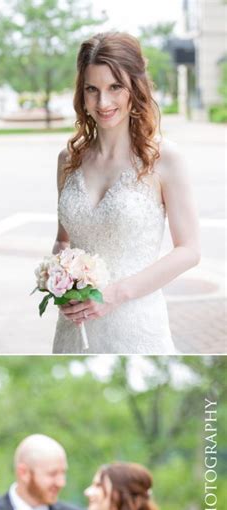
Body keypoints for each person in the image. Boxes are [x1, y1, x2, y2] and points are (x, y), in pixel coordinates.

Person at [52, 32, 200, 353]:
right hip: (74, 329)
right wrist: (59, 281)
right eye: (92, 89)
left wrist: (116, 294)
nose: (103, 103)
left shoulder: (164, 158)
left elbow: (189, 250)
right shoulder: (68, 161)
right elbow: (64, 240)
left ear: (134, 86)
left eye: (114, 87)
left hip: (136, 324)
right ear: (82, 94)